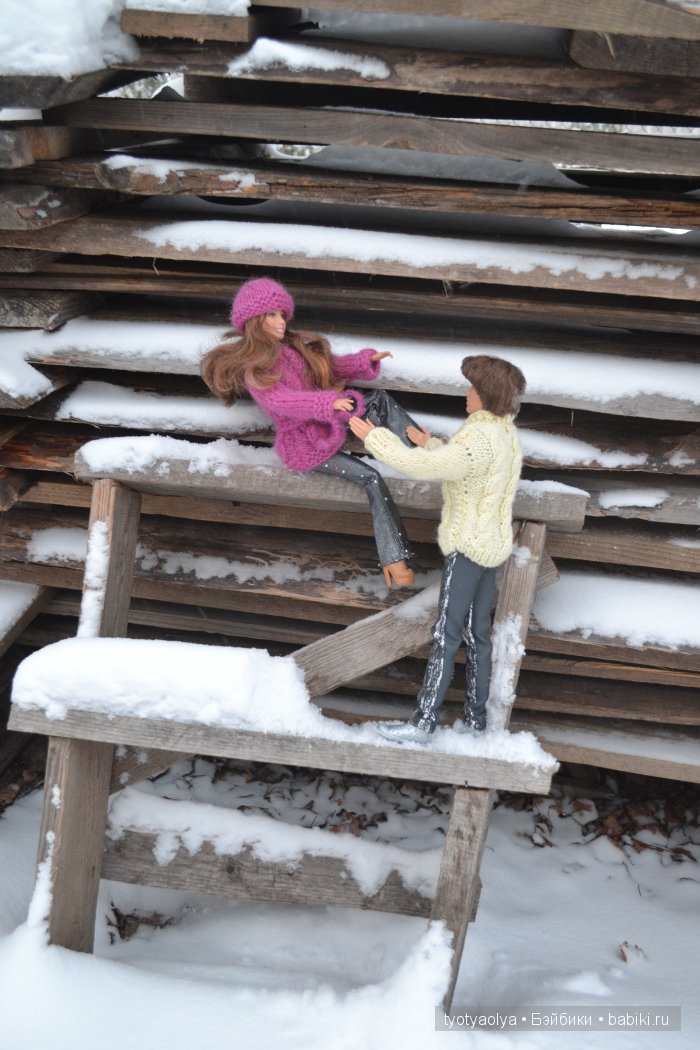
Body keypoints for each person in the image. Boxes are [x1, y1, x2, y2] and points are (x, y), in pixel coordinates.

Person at [349, 354, 526, 744]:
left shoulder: (479, 437)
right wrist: (431, 443)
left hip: (467, 547)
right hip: (491, 547)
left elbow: (424, 469)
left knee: (446, 633)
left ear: (486, 395)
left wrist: (374, 438)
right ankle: (477, 721)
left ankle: (423, 722)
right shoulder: (504, 434)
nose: (467, 394)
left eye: (472, 388)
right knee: (478, 635)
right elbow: (465, 467)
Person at [201, 276, 421, 587]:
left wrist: (363, 361)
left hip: (326, 422)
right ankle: (394, 559)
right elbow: (284, 402)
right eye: (272, 315)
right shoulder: (257, 368)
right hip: (305, 446)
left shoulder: (292, 349)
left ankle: (424, 451)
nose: (281, 321)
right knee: (371, 478)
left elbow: (328, 368)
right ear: (253, 321)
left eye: (282, 314)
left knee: (379, 401)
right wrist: (329, 403)